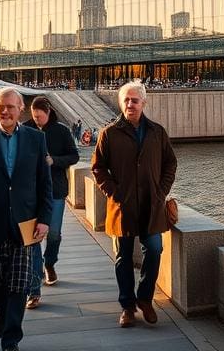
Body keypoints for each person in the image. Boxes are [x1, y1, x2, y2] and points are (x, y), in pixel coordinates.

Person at [0, 89, 52, 351]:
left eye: (10, 106)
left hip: (26, 222)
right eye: (0, 107)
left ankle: (11, 340)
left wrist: (45, 219)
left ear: (21, 109)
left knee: (20, 283)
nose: (5, 111)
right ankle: (1, 310)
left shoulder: (36, 139)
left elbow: (44, 183)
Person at [91, 80, 177, 328]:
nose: (130, 104)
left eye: (134, 100)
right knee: (123, 257)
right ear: (121, 103)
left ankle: (145, 299)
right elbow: (98, 168)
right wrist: (114, 193)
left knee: (155, 250)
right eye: (126, 100)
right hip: (122, 207)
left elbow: (170, 163)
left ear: (143, 103)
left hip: (152, 205)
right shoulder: (109, 133)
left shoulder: (157, 132)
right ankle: (127, 307)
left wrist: (161, 192)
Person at [23, 96, 79, 307]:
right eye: (34, 116)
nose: (36, 120)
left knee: (53, 233)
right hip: (31, 193)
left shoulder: (61, 131)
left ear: (48, 113)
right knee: (33, 239)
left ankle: (50, 263)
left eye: (40, 116)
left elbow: (73, 156)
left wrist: (54, 160)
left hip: (56, 191)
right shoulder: (25, 129)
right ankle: (34, 288)